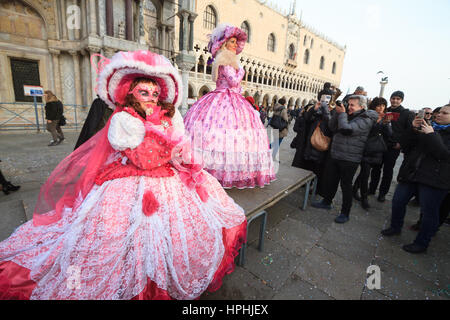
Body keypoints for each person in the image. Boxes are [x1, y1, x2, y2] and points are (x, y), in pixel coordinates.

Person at [0, 50, 247, 300]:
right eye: (143, 93)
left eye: (154, 94)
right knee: (118, 229)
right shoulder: (123, 119)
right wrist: (166, 148)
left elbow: (180, 142)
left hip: (169, 179)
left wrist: (182, 154)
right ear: (130, 93)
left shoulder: (171, 116)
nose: (150, 98)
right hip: (128, 177)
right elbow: (139, 155)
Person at [183, 24, 275, 189]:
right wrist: (241, 71)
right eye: (231, 42)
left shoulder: (226, 60)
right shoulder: (225, 60)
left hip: (230, 98)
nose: (234, 45)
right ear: (224, 44)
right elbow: (233, 81)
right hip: (225, 98)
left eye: (235, 42)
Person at [381, 104, 450, 254]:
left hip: (435, 180)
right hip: (412, 173)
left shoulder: (432, 131)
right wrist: (412, 129)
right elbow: (405, 145)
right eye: (439, 112)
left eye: (445, 113)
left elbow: (444, 155)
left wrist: (431, 135)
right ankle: (395, 227)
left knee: (429, 213)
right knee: (398, 200)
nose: (439, 115)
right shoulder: (428, 127)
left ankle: (421, 243)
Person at [312, 95, 378, 224]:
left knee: (346, 185)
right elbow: (332, 127)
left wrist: (342, 114)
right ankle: (326, 201)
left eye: (352, 105)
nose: (349, 107)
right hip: (336, 153)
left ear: (362, 106)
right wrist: (337, 114)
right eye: (349, 104)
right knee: (331, 180)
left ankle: (345, 212)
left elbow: (347, 129)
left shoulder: (366, 118)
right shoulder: (346, 113)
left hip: (350, 158)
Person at [371, 91, 415, 202]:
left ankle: (382, 193)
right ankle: (371, 188)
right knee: (376, 168)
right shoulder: (385, 110)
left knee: (388, 170)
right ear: (390, 99)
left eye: (398, 99)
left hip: (393, 146)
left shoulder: (406, 113)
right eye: (393, 98)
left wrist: (401, 144)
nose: (395, 100)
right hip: (380, 144)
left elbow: (409, 131)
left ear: (401, 100)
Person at [352, 97, 392, 210]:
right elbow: (369, 131)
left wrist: (386, 124)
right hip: (366, 148)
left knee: (365, 173)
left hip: (377, 150)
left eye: (383, 106)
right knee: (365, 174)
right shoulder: (369, 116)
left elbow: (389, 134)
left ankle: (354, 189)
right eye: (379, 105)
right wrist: (380, 123)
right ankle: (364, 198)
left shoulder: (385, 118)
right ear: (374, 106)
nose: (381, 108)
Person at [291, 101, 331, 197]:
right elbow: (307, 118)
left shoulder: (329, 114)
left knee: (317, 169)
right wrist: (314, 108)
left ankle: (314, 187)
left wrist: (326, 110)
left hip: (320, 148)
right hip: (310, 146)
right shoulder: (316, 114)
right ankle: (307, 183)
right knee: (308, 166)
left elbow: (330, 123)